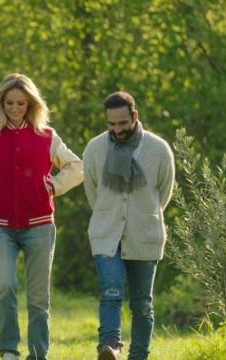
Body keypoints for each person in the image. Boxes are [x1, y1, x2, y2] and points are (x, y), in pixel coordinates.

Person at [0, 73, 83, 360]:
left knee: (38, 297)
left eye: (21, 103)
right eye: (9, 103)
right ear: (0, 104)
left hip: (40, 226)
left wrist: (54, 185)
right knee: (5, 285)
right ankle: (8, 350)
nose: (15, 109)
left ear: (31, 104)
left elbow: (77, 167)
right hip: (1, 227)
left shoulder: (47, 136)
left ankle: (38, 353)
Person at [83, 91, 175, 360]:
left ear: (134, 116)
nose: (117, 129)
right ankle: (109, 347)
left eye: (122, 123)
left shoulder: (159, 149)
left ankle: (138, 356)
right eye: (111, 124)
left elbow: (164, 193)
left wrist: (143, 216)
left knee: (142, 304)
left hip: (145, 234)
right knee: (110, 289)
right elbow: (92, 192)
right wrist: (108, 215)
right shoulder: (95, 149)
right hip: (106, 233)